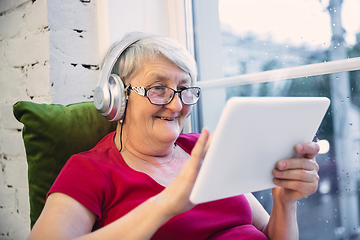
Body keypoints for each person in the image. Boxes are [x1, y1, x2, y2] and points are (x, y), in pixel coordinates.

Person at [27, 32, 320, 240]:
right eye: (158, 88)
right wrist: (165, 205)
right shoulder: (89, 170)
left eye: (183, 89)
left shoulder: (203, 150)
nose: (177, 105)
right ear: (117, 98)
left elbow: (270, 235)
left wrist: (284, 201)